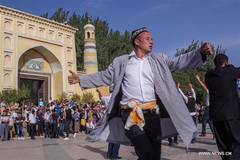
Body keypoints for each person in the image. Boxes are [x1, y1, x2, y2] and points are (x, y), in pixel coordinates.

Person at [68, 27, 213, 160]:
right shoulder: (122, 62)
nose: (152, 41)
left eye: (152, 39)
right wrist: (81, 79)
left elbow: (179, 62)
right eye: (148, 38)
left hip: (152, 114)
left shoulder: (159, 60)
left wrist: (199, 53)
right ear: (137, 41)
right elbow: (104, 76)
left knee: (155, 154)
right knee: (145, 151)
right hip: (131, 114)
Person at [205, 54, 240, 160]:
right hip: (232, 116)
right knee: (236, 145)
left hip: (216, 117)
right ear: (227, 62)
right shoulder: (231, 71)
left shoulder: (209, 75)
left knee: (223, 147)